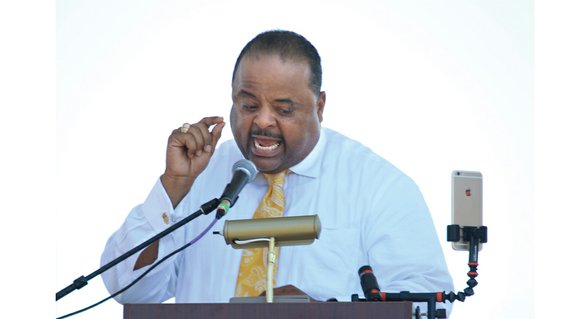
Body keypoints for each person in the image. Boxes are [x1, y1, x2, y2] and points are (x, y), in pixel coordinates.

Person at [101, 30, 454, 312]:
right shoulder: (201, 174)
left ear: (319, 106)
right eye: (249, 105)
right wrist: (174, 186)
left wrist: (325, 314)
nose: (263, 121)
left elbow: (427, 303)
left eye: (284, 110)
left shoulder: (379, 186)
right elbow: (128, 289)